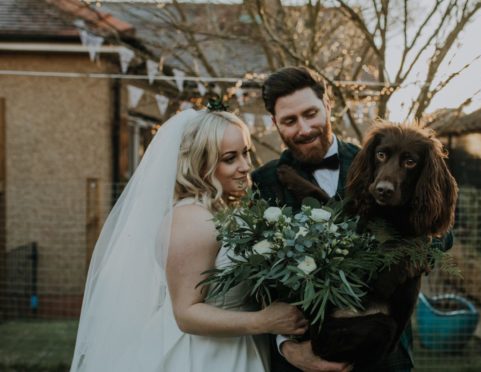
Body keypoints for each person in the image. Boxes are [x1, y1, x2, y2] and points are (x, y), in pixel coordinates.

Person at [70, 109, 307, 372]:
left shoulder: (221, 211)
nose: (245, 165)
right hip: (204, 356)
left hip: (239, 344)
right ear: (202, 165)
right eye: (230, 158)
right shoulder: (192, 220)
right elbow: (186, 314)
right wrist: (263, 321)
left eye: (245, 152)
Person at [252, 67, 420, 372]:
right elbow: (254, 286)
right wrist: (288, 349)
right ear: (275, 124)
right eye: (290, 121)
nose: (304, 129)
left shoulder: (381, 161)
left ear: (328, 105)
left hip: (383, 355)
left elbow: (440, 235)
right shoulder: (261, 183)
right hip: (302, 359)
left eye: (311, 113)